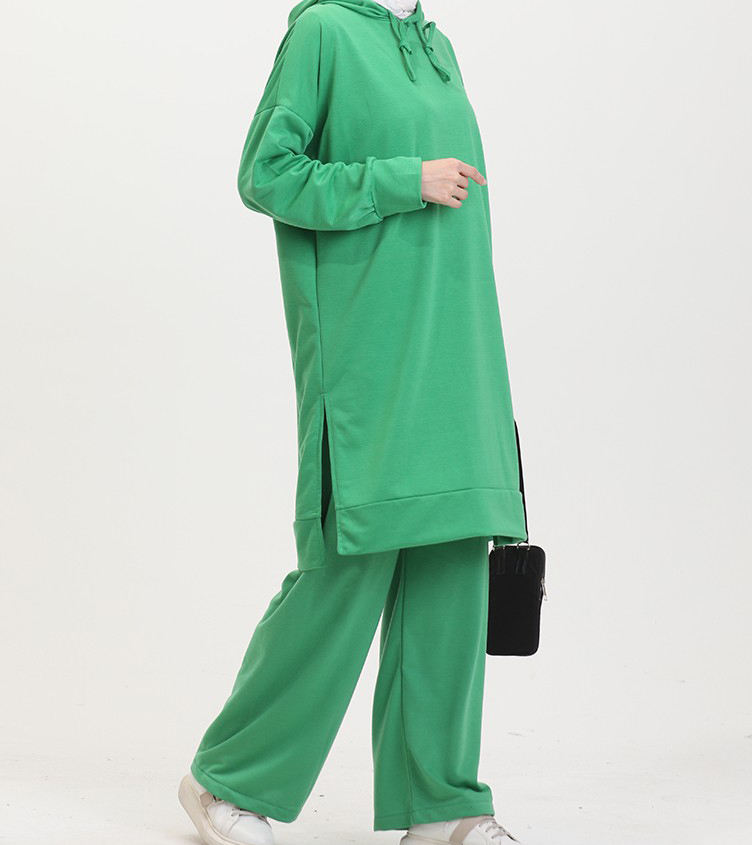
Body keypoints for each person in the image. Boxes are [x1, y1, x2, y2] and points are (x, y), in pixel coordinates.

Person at [178, 1, 528, 843]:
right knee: (348, 567)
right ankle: (226, 781)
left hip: (458, 349)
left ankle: (444, 807)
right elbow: (267, 173)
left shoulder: (438, 47)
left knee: (452, 568)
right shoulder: (324, 33)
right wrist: (400, 179)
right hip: (368, 352)